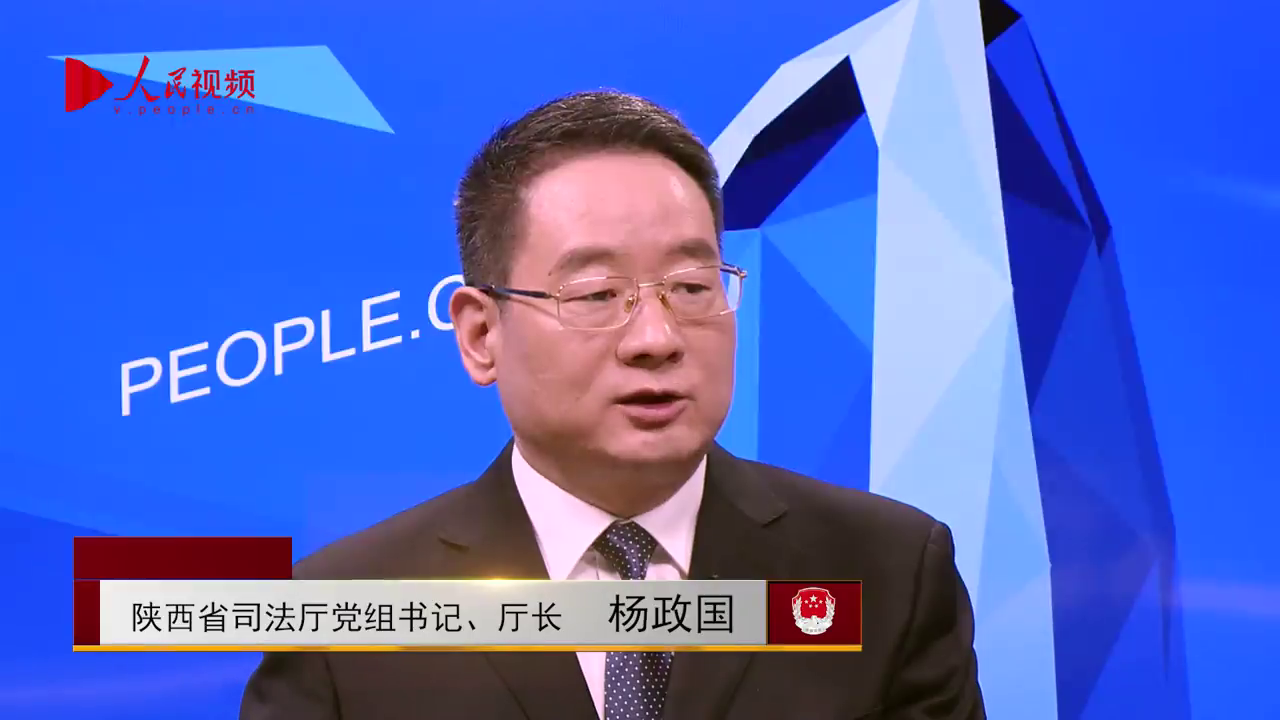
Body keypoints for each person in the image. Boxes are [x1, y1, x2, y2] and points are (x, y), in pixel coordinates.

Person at [240, 89, 985, 720]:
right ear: (480, 335)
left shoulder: (886, 573)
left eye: (691, 287)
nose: (656, 338)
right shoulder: (343, 618)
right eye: (596, 295)